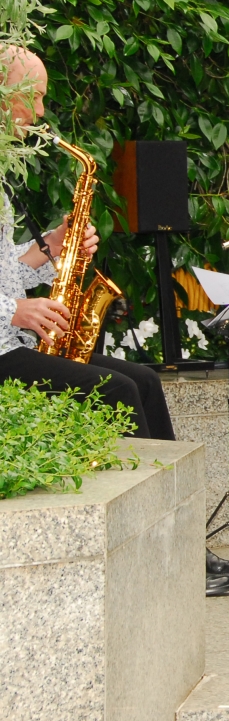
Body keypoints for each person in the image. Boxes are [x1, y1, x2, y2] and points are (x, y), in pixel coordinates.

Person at [0, 47, 177, 442]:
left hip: (11, 343)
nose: (42, 112)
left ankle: (171, 503)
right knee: (118, 391)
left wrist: (53, 244)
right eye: (34, 97)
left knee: (145, 381)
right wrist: (13, 309)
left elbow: (2, 269)